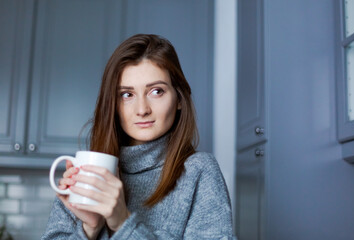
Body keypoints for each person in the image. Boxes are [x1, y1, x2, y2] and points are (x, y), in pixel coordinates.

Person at [42, 34, 235, 239]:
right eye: (127, 94)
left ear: (178, 98)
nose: (142, 109)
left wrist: (122, 222)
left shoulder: (199, 171)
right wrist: (89, 229)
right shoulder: (86, 172)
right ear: (113, 105)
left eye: (156, 91)